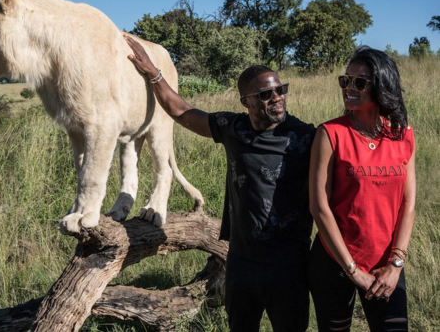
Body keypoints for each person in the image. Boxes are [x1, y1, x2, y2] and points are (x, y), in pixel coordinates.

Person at [124, 34, 316, 332]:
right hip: (241, 261)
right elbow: (180, 111)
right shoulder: (233, 127)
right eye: (266, 94)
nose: (277, 98)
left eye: (280, 90)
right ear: (246, 102)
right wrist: (154, 73)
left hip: (288, 265)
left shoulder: (304, 137)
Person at [308, 46, 416, 332]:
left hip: (386, 265)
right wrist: (353, 271)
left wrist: (396, 264)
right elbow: (319, 207)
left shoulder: (403, 134)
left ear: (382, 84)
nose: (348, 88)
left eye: (359, 82)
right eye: (345, 80)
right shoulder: (330, 133)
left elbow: (409, 203)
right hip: (334, 262)